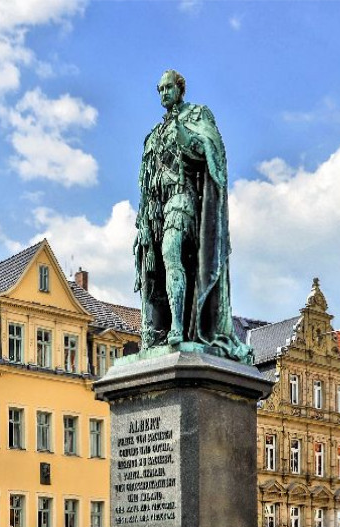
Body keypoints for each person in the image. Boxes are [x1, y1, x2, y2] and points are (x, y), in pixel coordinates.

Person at [134, 68, 249, 361]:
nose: (164, 93)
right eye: (159, 89)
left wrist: (181, 131)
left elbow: (207, 150)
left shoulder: (196, 115)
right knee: (153, 272)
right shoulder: (153, 136)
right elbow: (146, 183)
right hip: (156, 210)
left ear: (180, 89)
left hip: (183, 199)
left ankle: (177, 328)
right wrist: (144, 223)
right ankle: (156, 330)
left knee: (172, 252)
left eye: (168, 88)